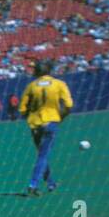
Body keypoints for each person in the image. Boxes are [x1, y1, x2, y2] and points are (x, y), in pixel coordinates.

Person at [19, 61, 73, 195]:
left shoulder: (31, 86)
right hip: (51, 122)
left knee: (42, 154)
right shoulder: (59, 84)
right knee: (43, 155)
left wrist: (31, 118)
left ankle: (51, 183)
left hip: (35, 124)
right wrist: (59, 118)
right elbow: (68, 105)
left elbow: (22, 109)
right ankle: (33, 184)